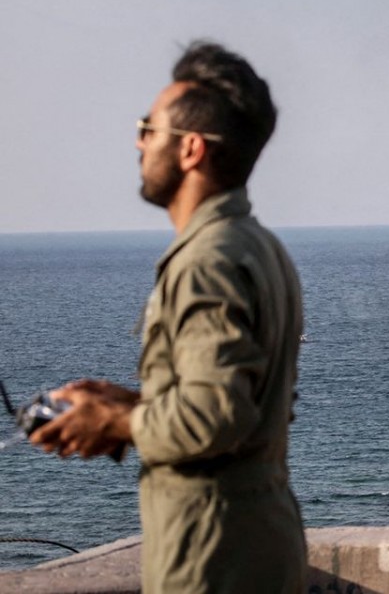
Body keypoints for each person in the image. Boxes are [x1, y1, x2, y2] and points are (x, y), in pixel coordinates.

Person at [31, 41, 308, 593]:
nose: (138, 142)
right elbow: (248, 411)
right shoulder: (259, 247)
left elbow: (216, 414)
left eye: (148, 128)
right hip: (259, 541)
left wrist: (112, 423)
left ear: (191, 151)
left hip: (210, 557)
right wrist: (132, 404)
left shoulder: (207, 260)